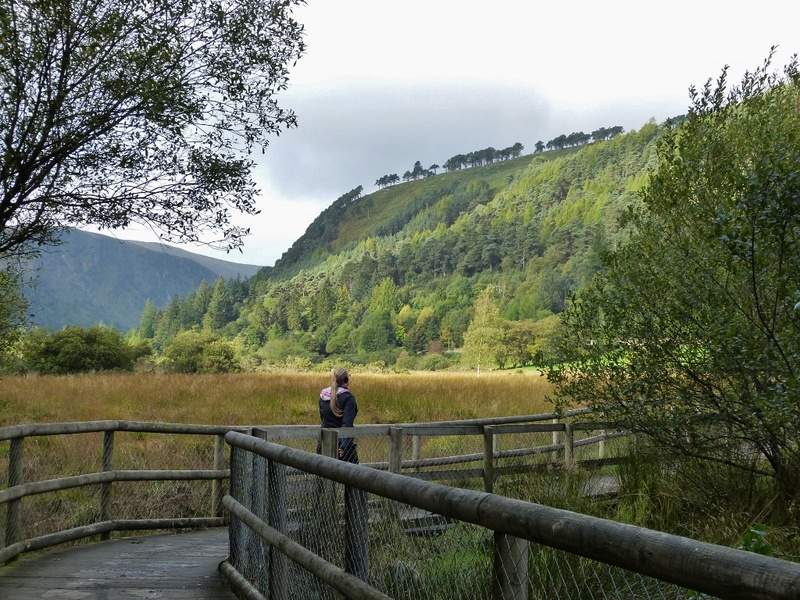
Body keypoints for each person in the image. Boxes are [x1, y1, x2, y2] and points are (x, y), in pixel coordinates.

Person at [318, 367, 359, 463]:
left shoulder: (323, 395)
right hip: (341, 446)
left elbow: (323, 419)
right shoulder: (348, 398)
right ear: (346, 379)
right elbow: (347, 425)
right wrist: (344, 447)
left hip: (324, 443)